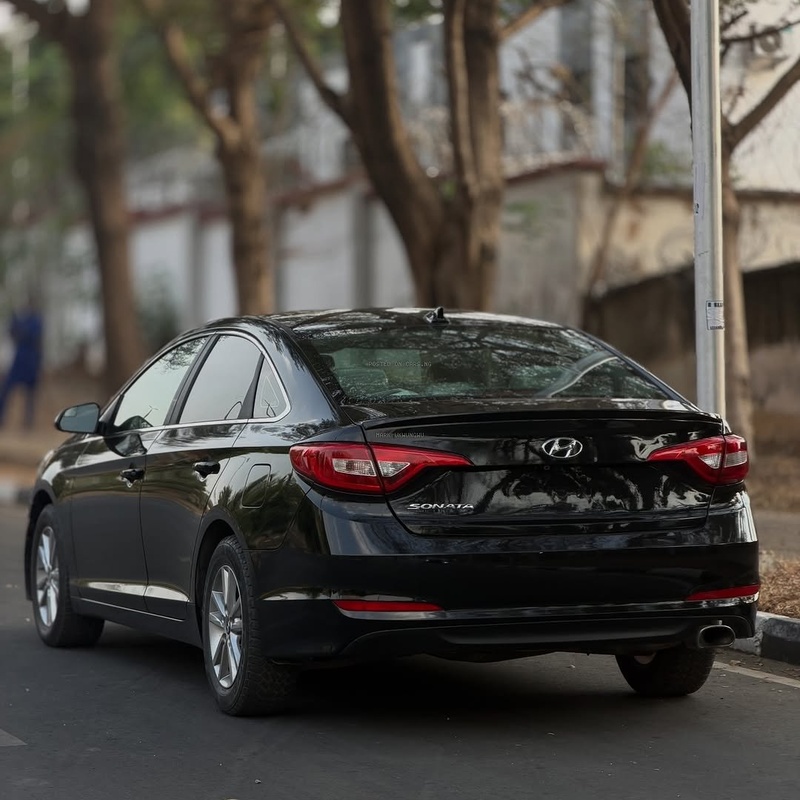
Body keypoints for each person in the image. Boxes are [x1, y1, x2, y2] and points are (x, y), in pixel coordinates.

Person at [0, 299, 43, 429]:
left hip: (31, 361)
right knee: (6, 389)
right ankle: (1, 418)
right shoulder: (17, 319)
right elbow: (11, 333)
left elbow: (33, 336)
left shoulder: (36, 321)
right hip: (18, 360)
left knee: (30, 394)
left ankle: (28, 421)